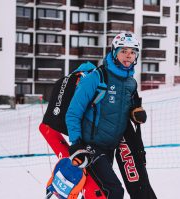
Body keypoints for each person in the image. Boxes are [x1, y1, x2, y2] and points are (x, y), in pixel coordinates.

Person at [65, 32, 147, 198]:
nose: (128, 56)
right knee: (113, 191)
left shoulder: (131, 82)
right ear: (114, 52)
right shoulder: (97, 78)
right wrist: (76, 143)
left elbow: (128, 107)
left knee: (96, 192)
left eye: (132, 52)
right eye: (123, 51)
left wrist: (136, 113)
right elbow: (73, 112)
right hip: (90, 146)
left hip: (111, 147)